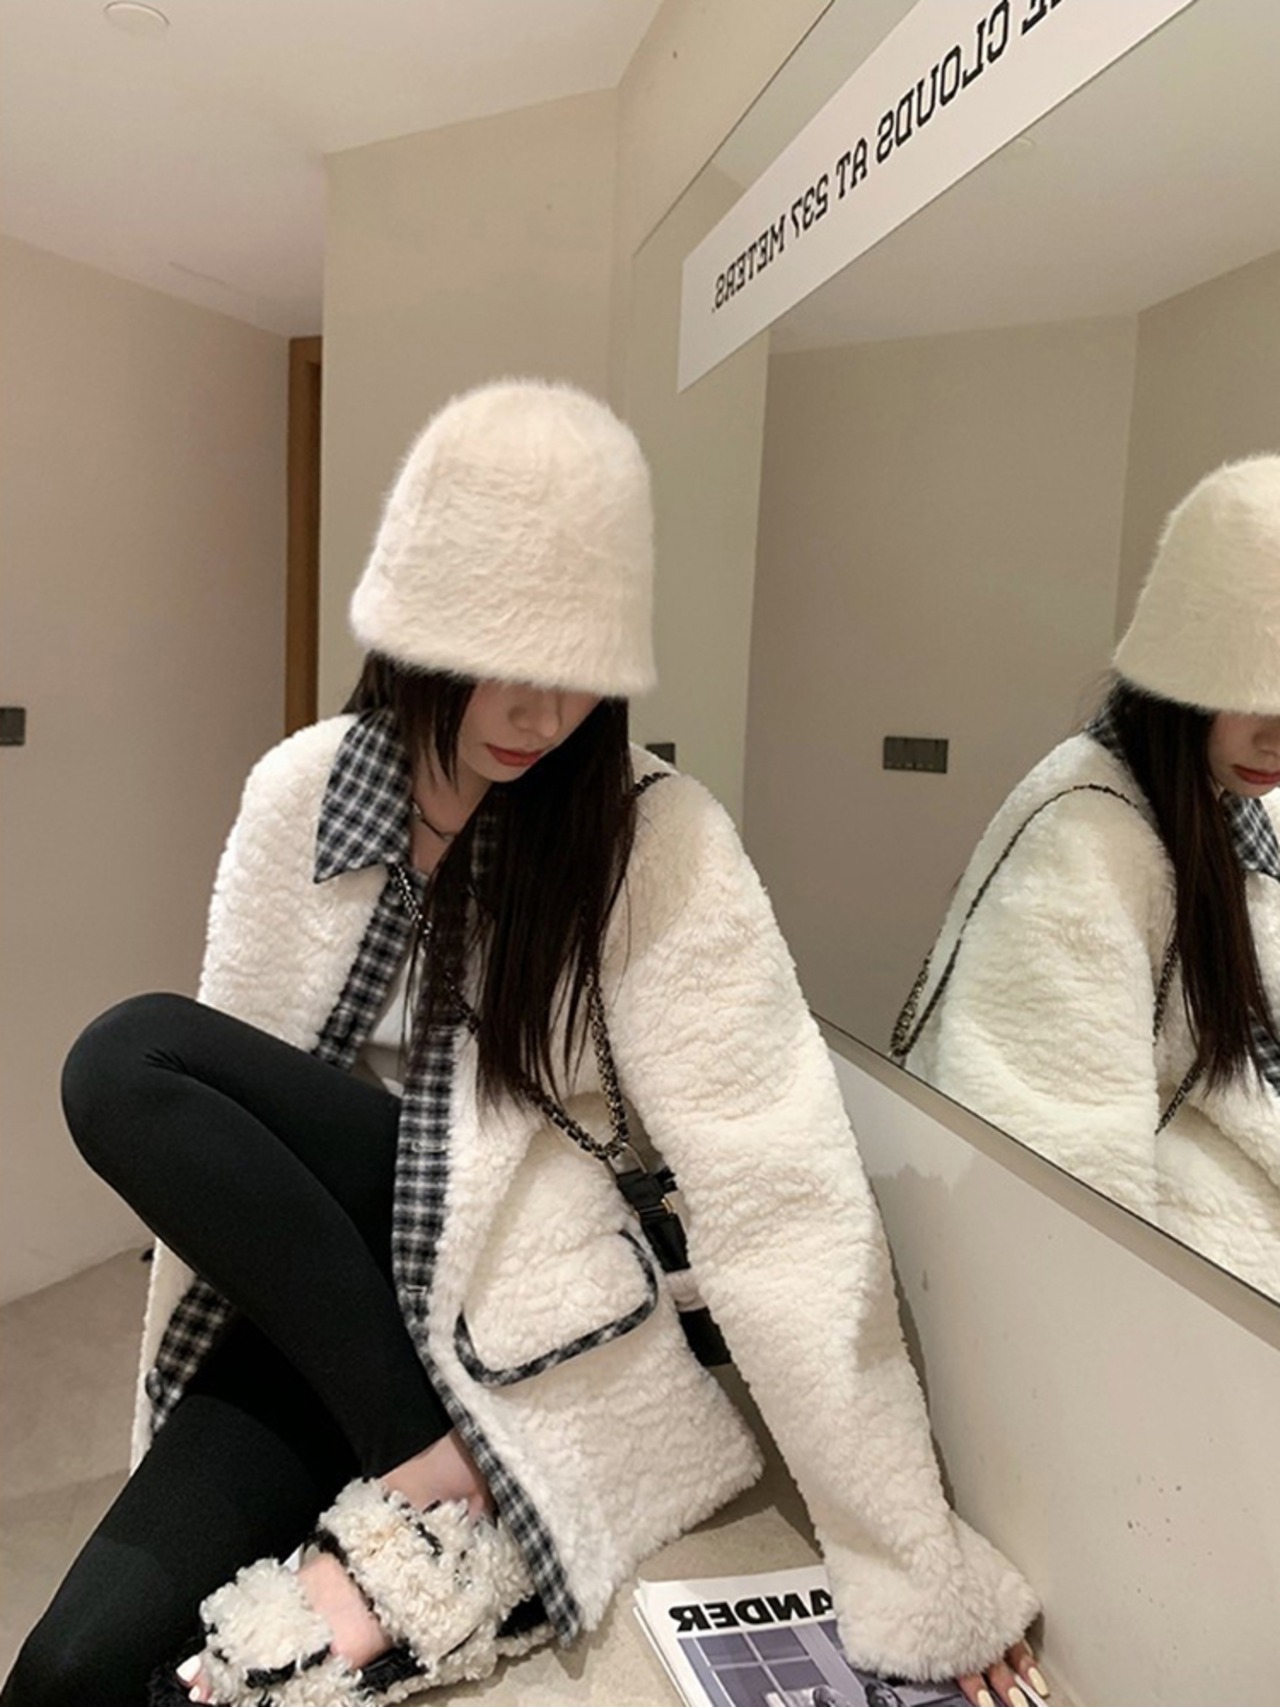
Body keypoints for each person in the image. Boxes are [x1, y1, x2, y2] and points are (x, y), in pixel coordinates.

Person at [3, 381, 1039, 1707]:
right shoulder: (300, 793)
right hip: (324, 1296)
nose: (544, 714)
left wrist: (908, 1554)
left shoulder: (654, 840)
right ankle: (423, 1446)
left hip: (510, 1287)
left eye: (581, 669)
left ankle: (430, 1458)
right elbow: (227, 1144)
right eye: (504, 651)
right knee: (63, 1672)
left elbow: (779, 1192)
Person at [896, 455, 1280, 1298]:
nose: (1276, 738)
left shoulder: (1242, 801)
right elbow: (1057, 1172)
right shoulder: (1081, 838)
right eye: (1254, 692)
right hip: (1179, 1292)